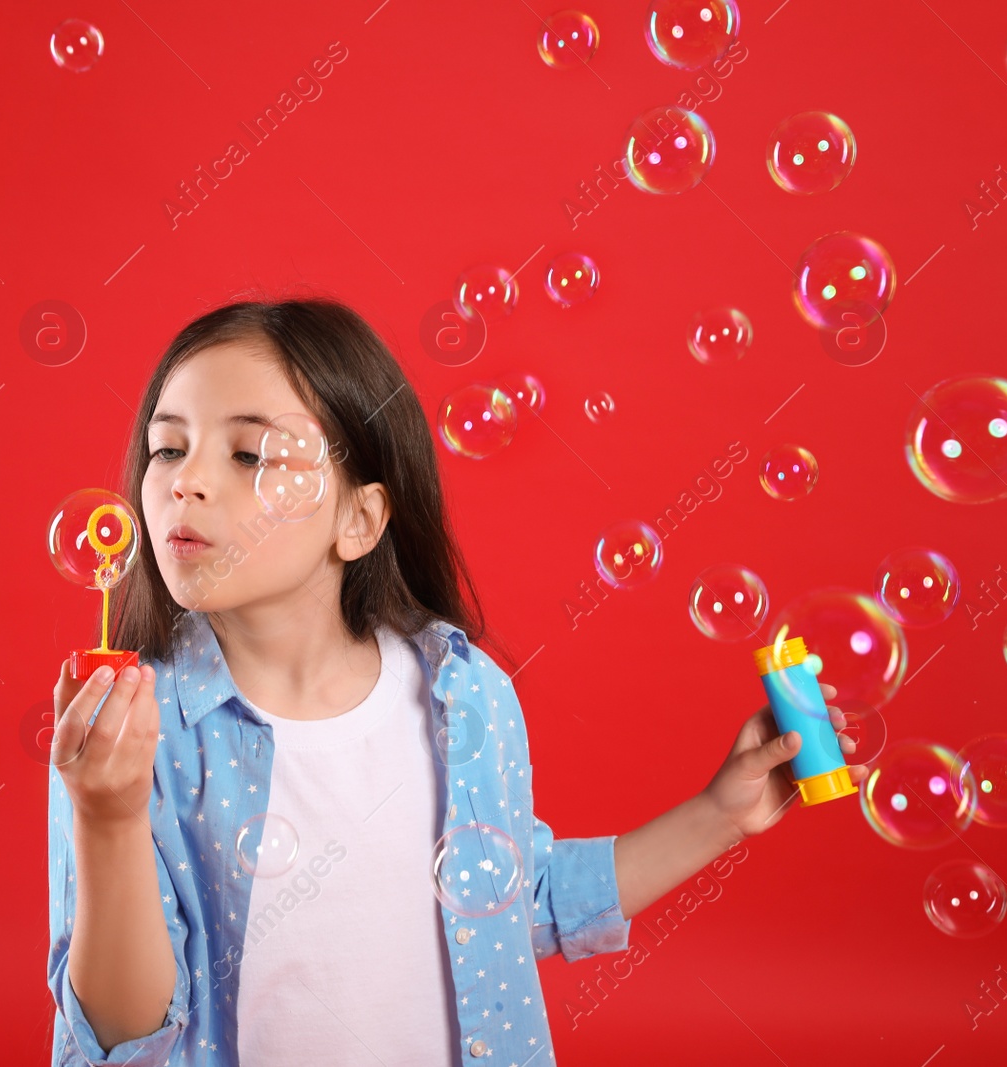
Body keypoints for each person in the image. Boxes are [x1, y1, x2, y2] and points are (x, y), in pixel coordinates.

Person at [44, 297, 862, 1066]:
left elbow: (509, 900)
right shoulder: (127, 729)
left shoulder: (460, 693)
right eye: (167, 446)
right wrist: (107, 815)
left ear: (359, 520)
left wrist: (722, 813)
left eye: (251, 451)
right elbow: (124, 1034)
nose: (184, 480)